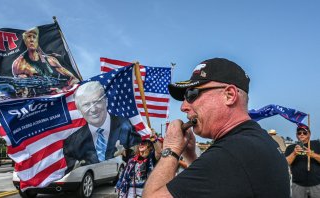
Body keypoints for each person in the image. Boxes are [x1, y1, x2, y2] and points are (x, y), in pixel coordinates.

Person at [143, 58, 290, 197]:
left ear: (229, 95)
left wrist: (171, 149)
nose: (184, 107)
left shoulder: (231, 153)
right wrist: (190, 154)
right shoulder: (255, 141)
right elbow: (213, 184)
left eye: (191, 94)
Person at [63, 81, 142, 173]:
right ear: (80, 111)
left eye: (97, 102)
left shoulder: (126, 126)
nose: (93, 109)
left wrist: (126, 153)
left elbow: (139, 156)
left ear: (106, 101)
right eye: (86, 105)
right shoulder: (72, 143)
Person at [12, 27, 79, 95]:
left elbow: (70, 76)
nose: (32, 40)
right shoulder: (19, 63)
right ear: (25, 41)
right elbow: (20, 88)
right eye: (29, 37)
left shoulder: (50, 59)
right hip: (39, 99)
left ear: (37, 41)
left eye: (34, 37)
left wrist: (73, 82)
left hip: (57, 93)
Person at [285, 125, 320, 198]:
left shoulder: (317, 144)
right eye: (299, 133)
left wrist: (313, 154)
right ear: (296, 135)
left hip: (317, 184)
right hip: (297, 185)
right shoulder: (290, 147)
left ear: (309, 134)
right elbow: (286, 163)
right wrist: (294, 153)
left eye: (304, 132)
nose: (301, 134)